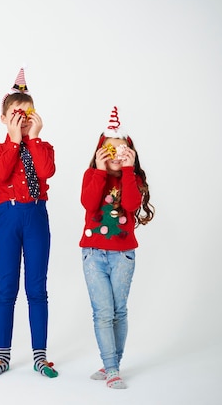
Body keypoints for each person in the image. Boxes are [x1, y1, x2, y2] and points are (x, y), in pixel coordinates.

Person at [0, 68, 58, 378]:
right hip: (8, 216)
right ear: (3, 118)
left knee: (37, 288)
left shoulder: (44, 146)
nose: (22, 118)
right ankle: (2, 356)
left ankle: (40, 356)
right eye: (15, 113)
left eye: (28, 113)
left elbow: (46, 172)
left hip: (36, 215)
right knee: (6, 287)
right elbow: (0, 175)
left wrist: (34, 137)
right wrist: (15, 141)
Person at [80, 107, 154, 389]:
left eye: (121, 151)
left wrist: (127, 169)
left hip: (123, 255)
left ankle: (114, 365)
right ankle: (111, 368)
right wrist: (100, 171)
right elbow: (89, 204)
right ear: (99, 152)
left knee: (118, 310)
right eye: (109, 150)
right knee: (102, 312)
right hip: (92, 254)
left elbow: (132, 206)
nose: (115, 155)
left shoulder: (131, 179)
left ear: (131, 154)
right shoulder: (91, 175)